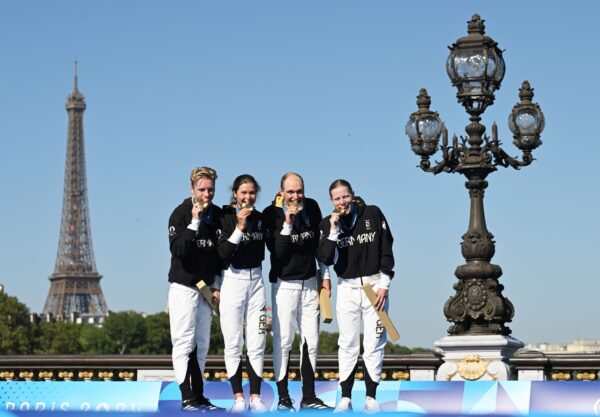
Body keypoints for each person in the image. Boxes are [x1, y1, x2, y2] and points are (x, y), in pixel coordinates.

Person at [317, 179, 395, 413]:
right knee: (347, 343)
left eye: (345, 196)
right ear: (332, 201)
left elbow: (386, 247)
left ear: (353, 195)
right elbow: (325, 258)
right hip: (347, 288)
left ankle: (371, 397)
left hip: (374, 286)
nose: (343, 202)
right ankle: (346, 398)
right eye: (337, 198)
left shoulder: (373, 213)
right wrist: (332, 230)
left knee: (374, 343)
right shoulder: (326, 224)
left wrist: (385, 283)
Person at [263, 173, 333, 412]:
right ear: (281, 192)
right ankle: (283, 397)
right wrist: (288, 222)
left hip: (311, 283)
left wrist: (325, 276)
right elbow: (277, 252)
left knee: (311, 342)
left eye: (299, 191)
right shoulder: (270, 214)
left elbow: (320, 246)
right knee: (283, 341)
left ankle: (309, 396)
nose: (295, 196)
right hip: (284, 285)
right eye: (290, 192)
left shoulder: (312, 207)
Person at [167, 166, 224, 411]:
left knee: (202, 343)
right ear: (192, 188)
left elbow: (221, 256)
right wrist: (194, 222)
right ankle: (186, 395)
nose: (207, 194)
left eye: (210, 189)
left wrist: (218, 286)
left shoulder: (219, 216)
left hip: (206, 289)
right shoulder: (179, 214)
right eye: (202, 189)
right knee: (183, 342)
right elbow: (178, 250)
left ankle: (199, 395)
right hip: (184, 287)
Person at [217, 174, 268, 413]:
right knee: (233, 342)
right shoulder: (225, 218)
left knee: (257, 342)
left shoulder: (261, 218)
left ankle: (255, 396)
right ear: (235, 194)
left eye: (252, 193)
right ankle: (238, 397)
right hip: (233, 281)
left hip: (256, 280)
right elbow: (223, 254)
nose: (248, 197)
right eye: (243, 193)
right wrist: (239, 227)